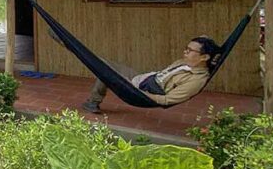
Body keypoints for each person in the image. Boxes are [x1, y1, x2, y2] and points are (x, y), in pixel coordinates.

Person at [82, 36, 221, 113]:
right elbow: (204, 38)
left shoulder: (196, 80)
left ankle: (93, 102)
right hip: (143, 78)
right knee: (103, 68)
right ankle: (92, 103)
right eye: (186, 48)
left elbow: (167, 100)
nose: (185, 52)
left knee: (102, 67)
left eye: (190, 50)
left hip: (140, 89)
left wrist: (140, 94)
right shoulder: (189, 62)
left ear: (205, 57)